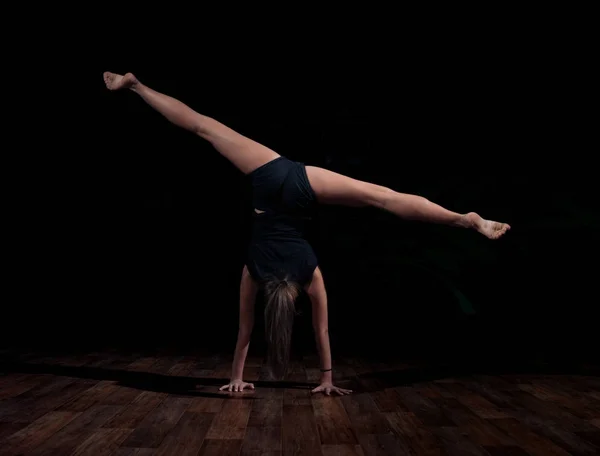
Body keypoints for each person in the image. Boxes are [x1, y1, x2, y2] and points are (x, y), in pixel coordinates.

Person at [103, 71, 510, 396]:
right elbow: (244, 333)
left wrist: (327, 378)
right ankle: (464, 219)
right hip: (274, 179)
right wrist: (236, 377)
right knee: (204, 128)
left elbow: (320, 332)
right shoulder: (255, 271)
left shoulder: (308, 272)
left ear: (292, 300)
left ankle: (465, 219)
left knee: (380, 198)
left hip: (295, 189)